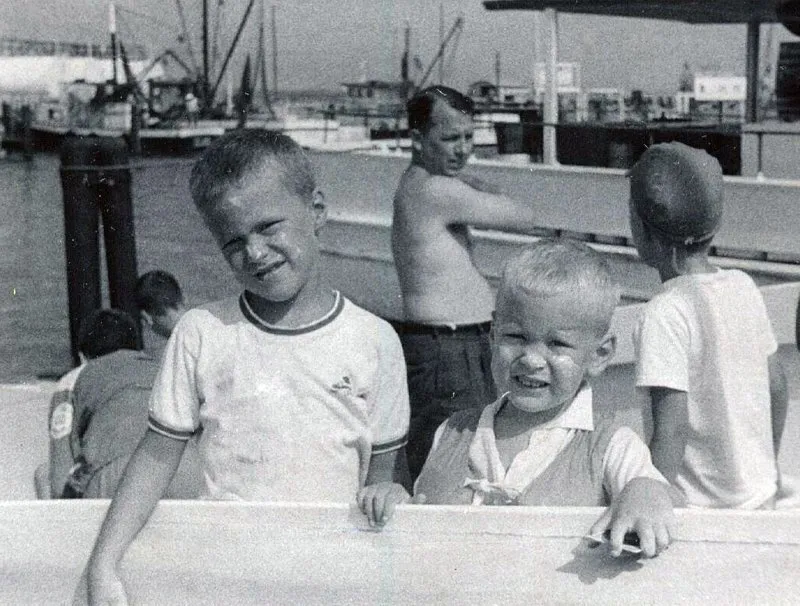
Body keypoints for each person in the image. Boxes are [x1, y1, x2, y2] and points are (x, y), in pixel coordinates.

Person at [86, 129, 410, 604]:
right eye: (233, 242)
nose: (254, 252)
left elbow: (382, 478)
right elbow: (156, 458)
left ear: (317, 211)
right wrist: (103, 563)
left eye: (269, 227)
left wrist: (395, 497)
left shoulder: (376, 340)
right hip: (228, 573)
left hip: (334, 575)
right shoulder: (200, 332)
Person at [360, 239, 678, 558]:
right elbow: (416, 534)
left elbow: (665, 503)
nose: (531, 360)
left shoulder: (612, 446)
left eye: (557, 344)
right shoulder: (451, 433)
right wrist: (395, 502)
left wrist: (645, 490)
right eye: (516, 337)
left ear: (599, 354)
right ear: (493, 333)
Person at [392, 86, 550, 480]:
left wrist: (467, 180)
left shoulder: (422, 184)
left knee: (458, 454)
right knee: (447, 459)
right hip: (447, 348)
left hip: (454, 343)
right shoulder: (436, 190)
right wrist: (476, 182)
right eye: (449, 138)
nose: (463, 149)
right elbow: (524, 216)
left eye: (468, 136)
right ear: (417, 139)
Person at [628, 142, 788, 509]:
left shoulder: (663, 313)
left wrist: (650, 504)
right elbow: (776, 387)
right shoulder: (743, 285)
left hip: (702, 510)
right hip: (759, 497)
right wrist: (770, 471)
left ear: (643, 231)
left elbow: (671, 430)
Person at [36, 309, 134, 499]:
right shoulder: (155, 368)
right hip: (176, 477)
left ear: (82, 357)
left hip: (111, 483)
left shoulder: (73, 381)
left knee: (44, 475)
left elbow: (60, 478)